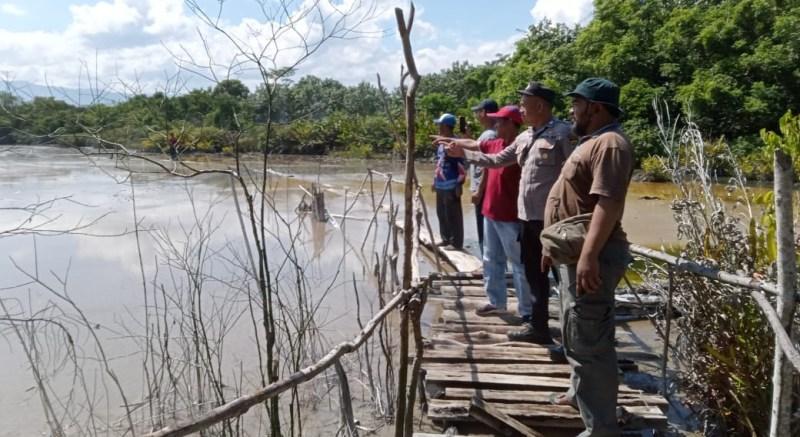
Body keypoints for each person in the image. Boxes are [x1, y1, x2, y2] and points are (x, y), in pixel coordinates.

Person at [445, 82, 574, 344]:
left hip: (553, 220)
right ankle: (537, 326)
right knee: (534, 274)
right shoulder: (525, 137)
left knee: (563, 276)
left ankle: (573, 333)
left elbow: (577, 175)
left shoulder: (563, 134)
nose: (521, 109)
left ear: (540, 105)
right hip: (527, 218)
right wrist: (464, 153)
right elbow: (496, 160)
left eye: (525, 104)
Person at [542, 77, 634, 437]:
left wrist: (589, 256)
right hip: (574, 253)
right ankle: (579, 395)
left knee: (590, 342)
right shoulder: (593, 141)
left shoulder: (610, 144)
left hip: (592, 255)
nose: (571, 110)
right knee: (576, 332)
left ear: (594, 108)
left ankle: (601, 429)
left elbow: (608, 203)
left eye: (576, 104)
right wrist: (551, 248)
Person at [434, 106, 532, 321]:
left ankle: (527, 311)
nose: (496, 125)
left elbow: (491, 160)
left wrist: (461, 151)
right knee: (491, 259)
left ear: (511, 124)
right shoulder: (494, 142)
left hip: (511, 215)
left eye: (500, 122)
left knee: (518, 264)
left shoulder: (520, 147)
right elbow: (475, 144)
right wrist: (453, 141)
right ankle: (496, 302)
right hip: (491, 211)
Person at [432, 113, 466, 250]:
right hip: (441, 184)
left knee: (453, 215)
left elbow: (462, 165)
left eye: (440, 125)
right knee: (441, 213)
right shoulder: (441, 143)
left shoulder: (456, 143)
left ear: (446, 126)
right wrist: (434, 181)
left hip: (451, 184)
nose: (438, 128)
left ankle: (456, 243)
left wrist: (459, 184)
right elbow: (439, 163)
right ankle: (445, 239)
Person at [469, 99, 498, 256]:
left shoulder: (490, 135)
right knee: (486, 229)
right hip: (485, 189)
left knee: (485, 230)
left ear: (484, 113)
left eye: (477, 112)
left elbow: (488, 166)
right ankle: (487, 260)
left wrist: (479, 191)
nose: (476, 116)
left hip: (484, 190)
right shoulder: (489, 133)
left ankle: (486, 261)